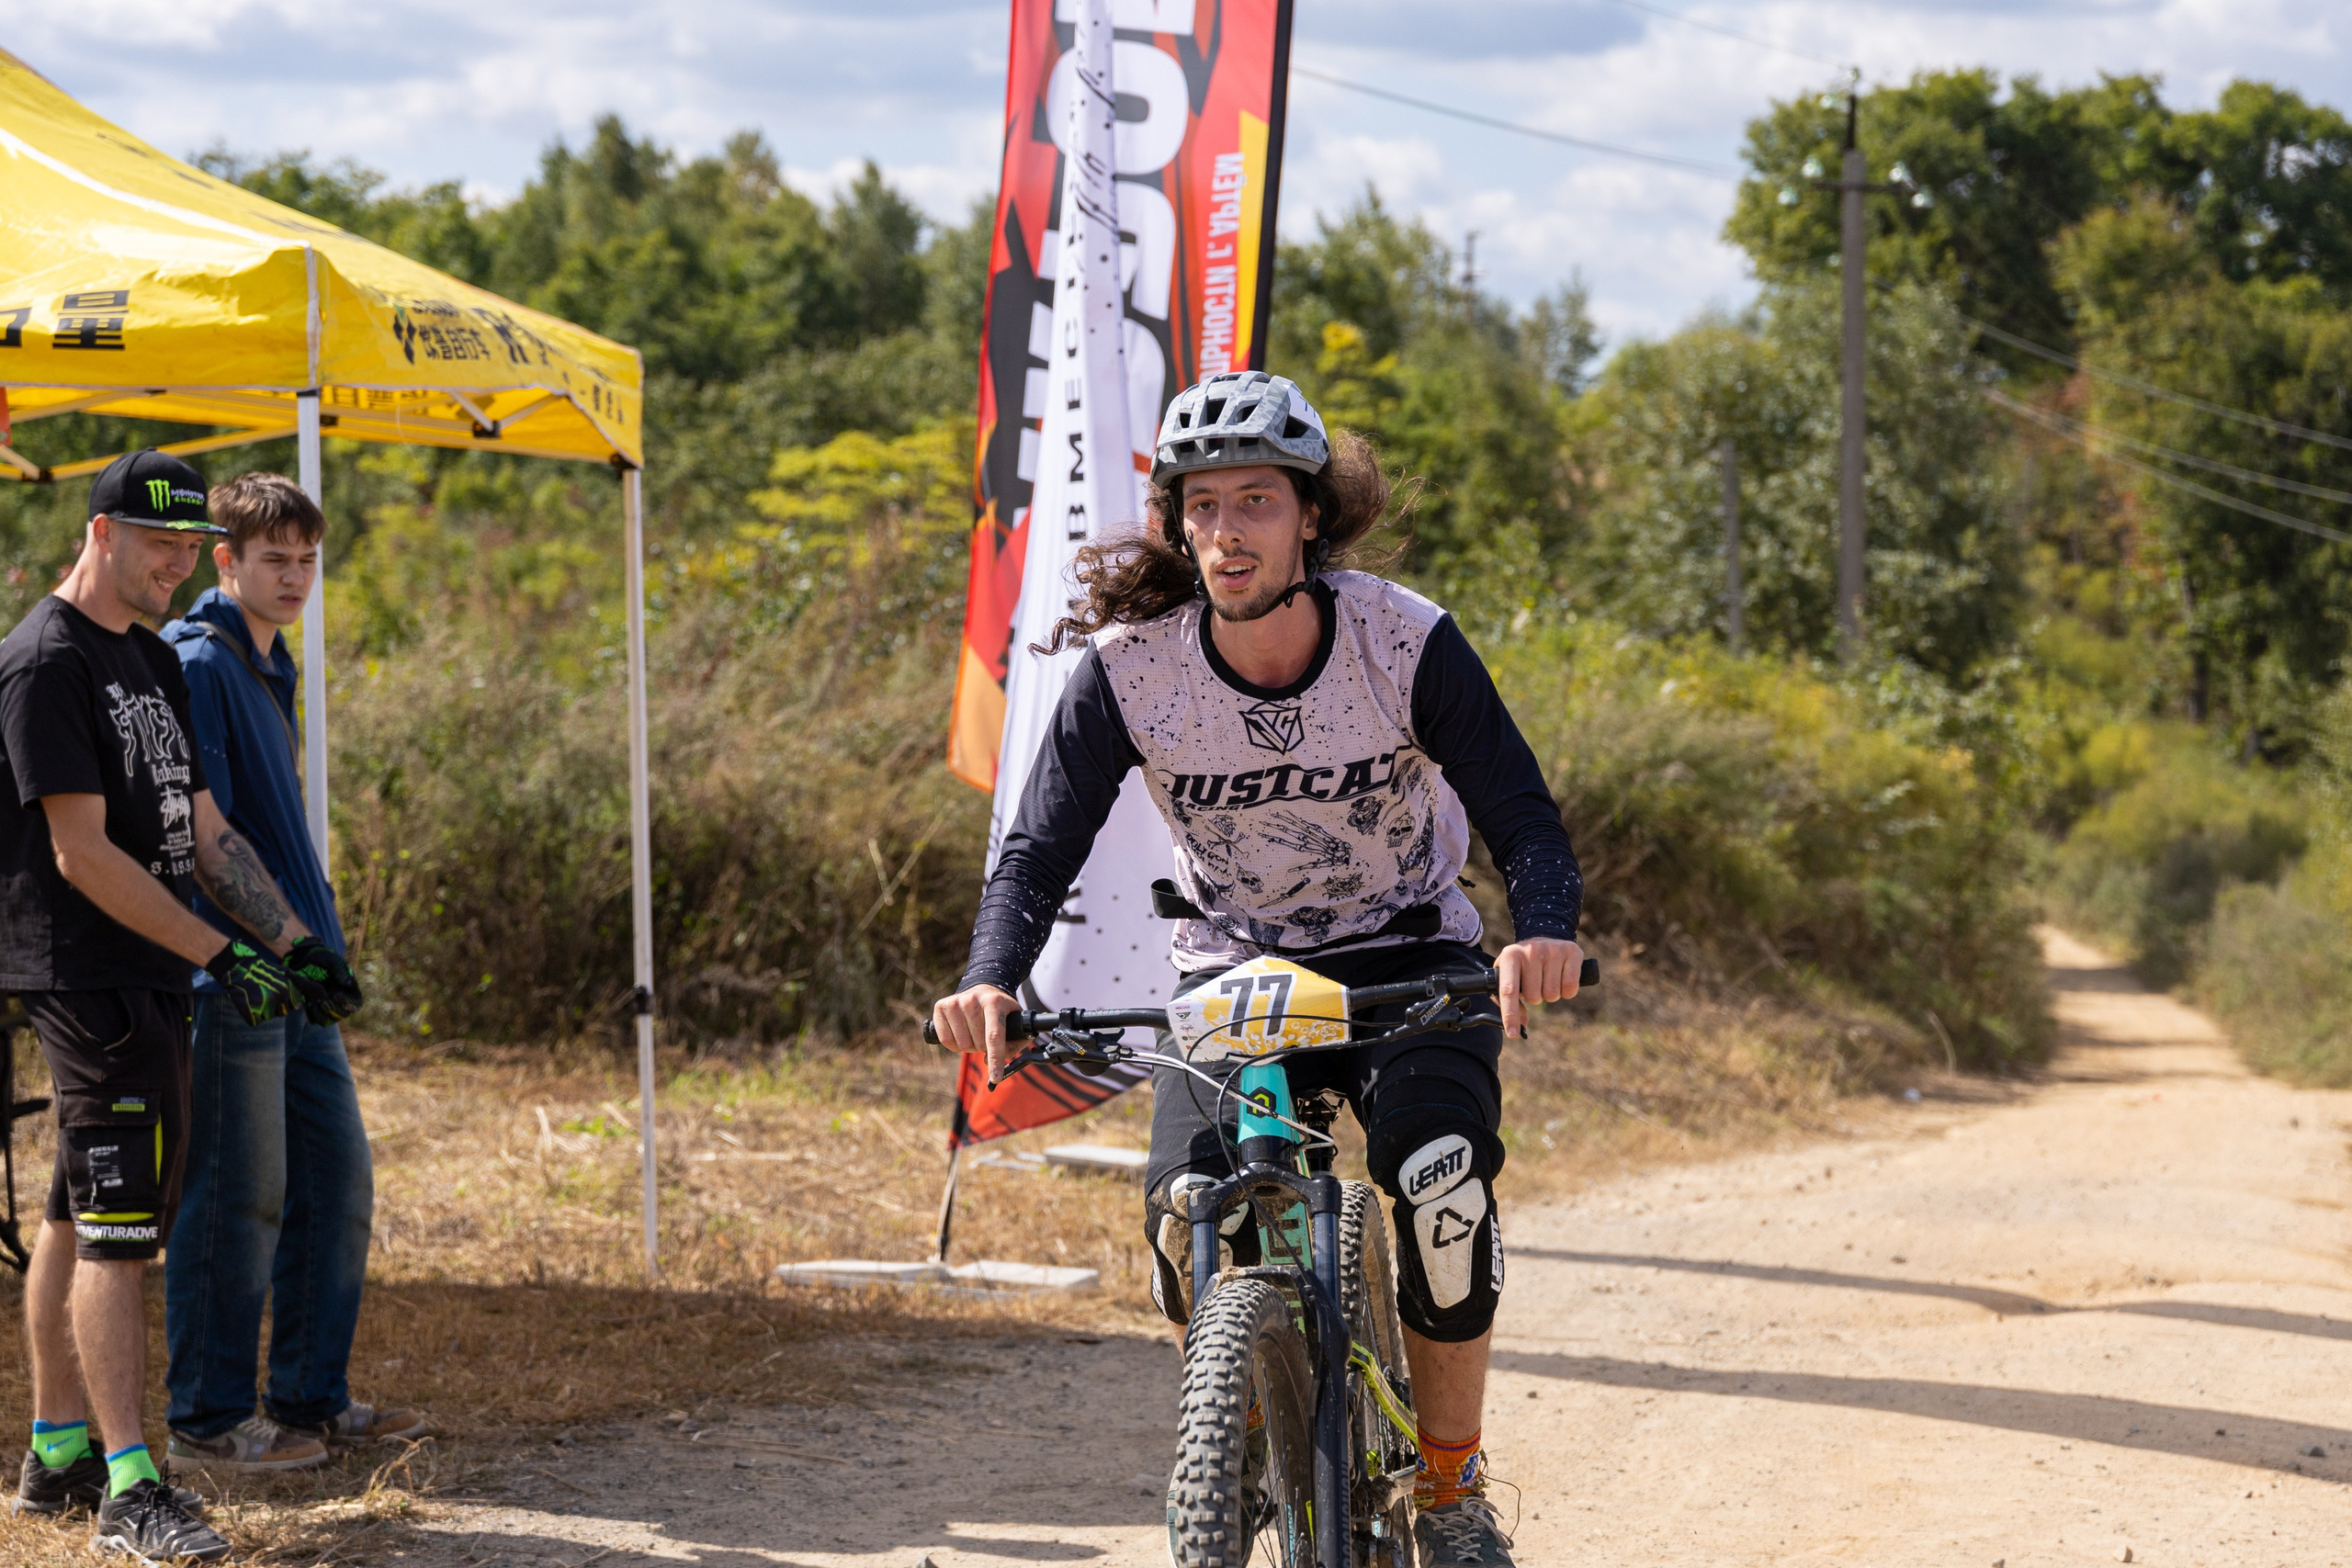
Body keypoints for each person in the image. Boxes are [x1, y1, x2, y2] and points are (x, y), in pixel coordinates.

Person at [933, 373, 1584, 1568]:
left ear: (1310, 520)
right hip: (1237, 967)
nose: (1228, 531)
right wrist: (993, 973)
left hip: (1409, 959)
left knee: (1441, 1183)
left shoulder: (1402, 637)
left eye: (1258, 502)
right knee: (1190, 1218)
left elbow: (1522, 813)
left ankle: (1449, 1487)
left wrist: (1542, 926)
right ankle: (1234, 1435)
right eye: (1204, 506)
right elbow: (1037, 845)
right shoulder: (1134, 668)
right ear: (1179, 524)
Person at [0, 450, 360, 1562]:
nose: (175, 566)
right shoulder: (43, 662)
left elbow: (202, 831)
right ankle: (131, 1485)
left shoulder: (149, 657)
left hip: (156, 975)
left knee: (74, 1217)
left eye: (188, 548)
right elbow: (80, 855)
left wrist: (292, 945)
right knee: (120, 1240)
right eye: (158, 546)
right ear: (100, 533)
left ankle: (57, 1449)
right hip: (91, 975)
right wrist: (223, 954)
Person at [159, 473, 419, 1475]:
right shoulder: (200, 659)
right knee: (237, 1196)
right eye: (275, 558)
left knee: (336, 1181)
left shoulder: (274, 662)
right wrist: (288, 947)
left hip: (301, 974)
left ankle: (310, 1400)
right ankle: (210, 1423)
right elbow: (202, 837)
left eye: (308, 559)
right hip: (232, 979)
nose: (296, 576)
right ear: (225, 559)